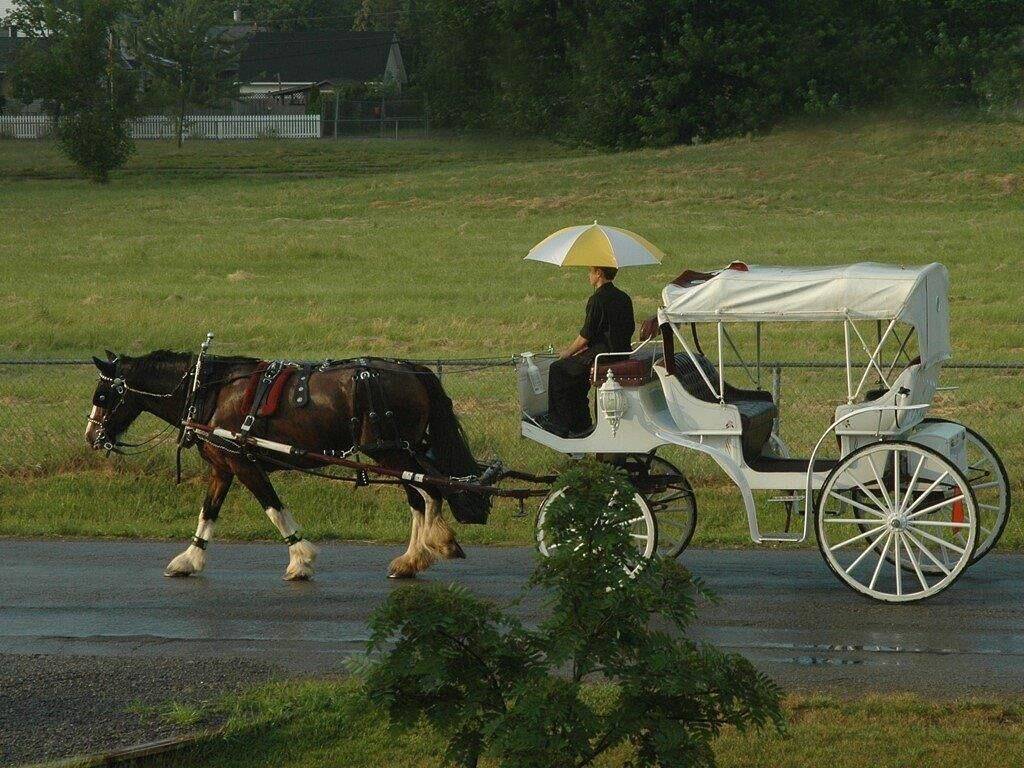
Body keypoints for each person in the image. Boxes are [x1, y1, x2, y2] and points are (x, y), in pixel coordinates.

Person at [543, 266, 635, 437]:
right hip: (621, 352)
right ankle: (581, 423)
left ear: (599, 273)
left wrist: (568, 352)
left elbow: (585, 335)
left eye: (590, 272)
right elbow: (626, 329)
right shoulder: (624, 297)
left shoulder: (597, 300)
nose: (589, 276)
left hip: (602, 357)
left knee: (559, 369)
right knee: (576, 374)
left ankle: (560, 423)